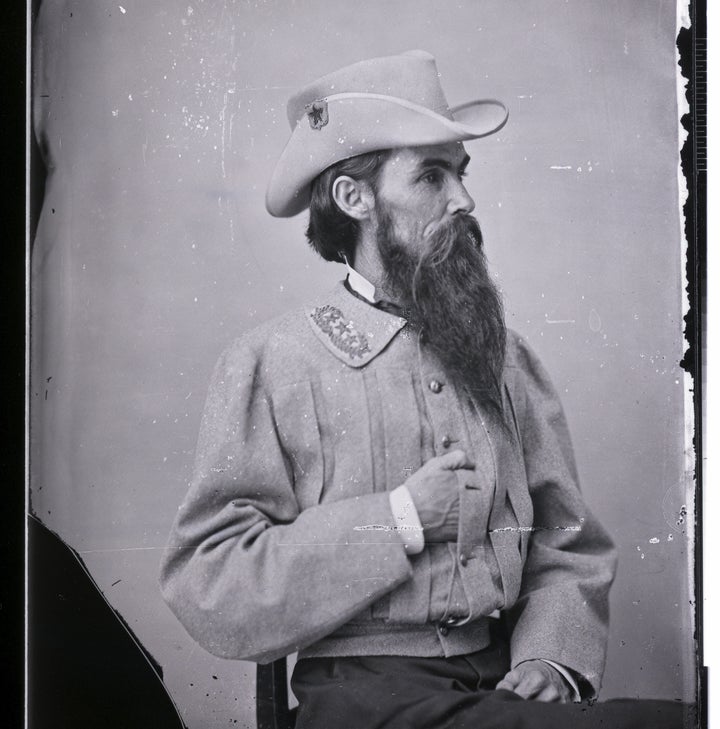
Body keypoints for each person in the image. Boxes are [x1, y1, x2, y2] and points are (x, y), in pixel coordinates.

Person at [160, 51, 690, 728]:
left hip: (498, 685)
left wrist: (550, 658)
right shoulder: (275, 361)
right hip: (365, 700)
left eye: (461, 175)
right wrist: (401, 518)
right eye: (433, 176)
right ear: (356, 199)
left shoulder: (503, 358)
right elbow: (210, 577)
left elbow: (566, 538)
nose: (464, 201)